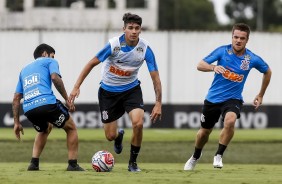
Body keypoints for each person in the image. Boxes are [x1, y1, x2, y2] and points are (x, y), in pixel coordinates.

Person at [68, 12, 162, 172]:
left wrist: (158, 103)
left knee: (138, 123)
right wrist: (76, 86)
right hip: (108, 93)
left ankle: (133, 163)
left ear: (140, 30)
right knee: (110, 136)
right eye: (130, 28)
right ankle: (118, 136)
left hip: (131, 90)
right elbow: (91, 63)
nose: (133, 31)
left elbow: (155, 78)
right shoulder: (114, 45)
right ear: (124, 29)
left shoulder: (145, 49)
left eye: (137, 28)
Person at [184, 23, 272, 170]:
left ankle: (218, 155)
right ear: (232, 37)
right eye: (235, 37)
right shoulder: (222, 51)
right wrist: (213, 67)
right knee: (204, 133)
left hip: (233, 99)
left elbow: (268, 71)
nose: (238, 40)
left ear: (247, 40)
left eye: (242, 38)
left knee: (230, 121)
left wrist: (261, 94)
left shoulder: (252, 58)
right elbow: (200, 65)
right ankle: (195, 156)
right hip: (212, 99)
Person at [12, 43, 84, 171]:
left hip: (29, 109)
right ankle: (72, 164)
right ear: (45, 54)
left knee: (44, 129)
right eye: (52, 55)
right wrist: (67, 99)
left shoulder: (24, 70)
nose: (53, 58)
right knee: (71, 128)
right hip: (47, 103)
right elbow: (55, 78)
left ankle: (34, 164)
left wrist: (16, 123)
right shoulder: (50, 61)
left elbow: (16, 97)